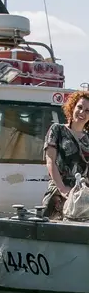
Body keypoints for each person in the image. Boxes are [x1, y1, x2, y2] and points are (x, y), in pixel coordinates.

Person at [42, 91, 89, 219]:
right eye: (79, 107)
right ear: (72, 107)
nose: (82, 113)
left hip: (82, 197)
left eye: (87, 110)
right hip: (58, 192)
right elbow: (50, 161)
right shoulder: (57, 130)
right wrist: (62, 189)